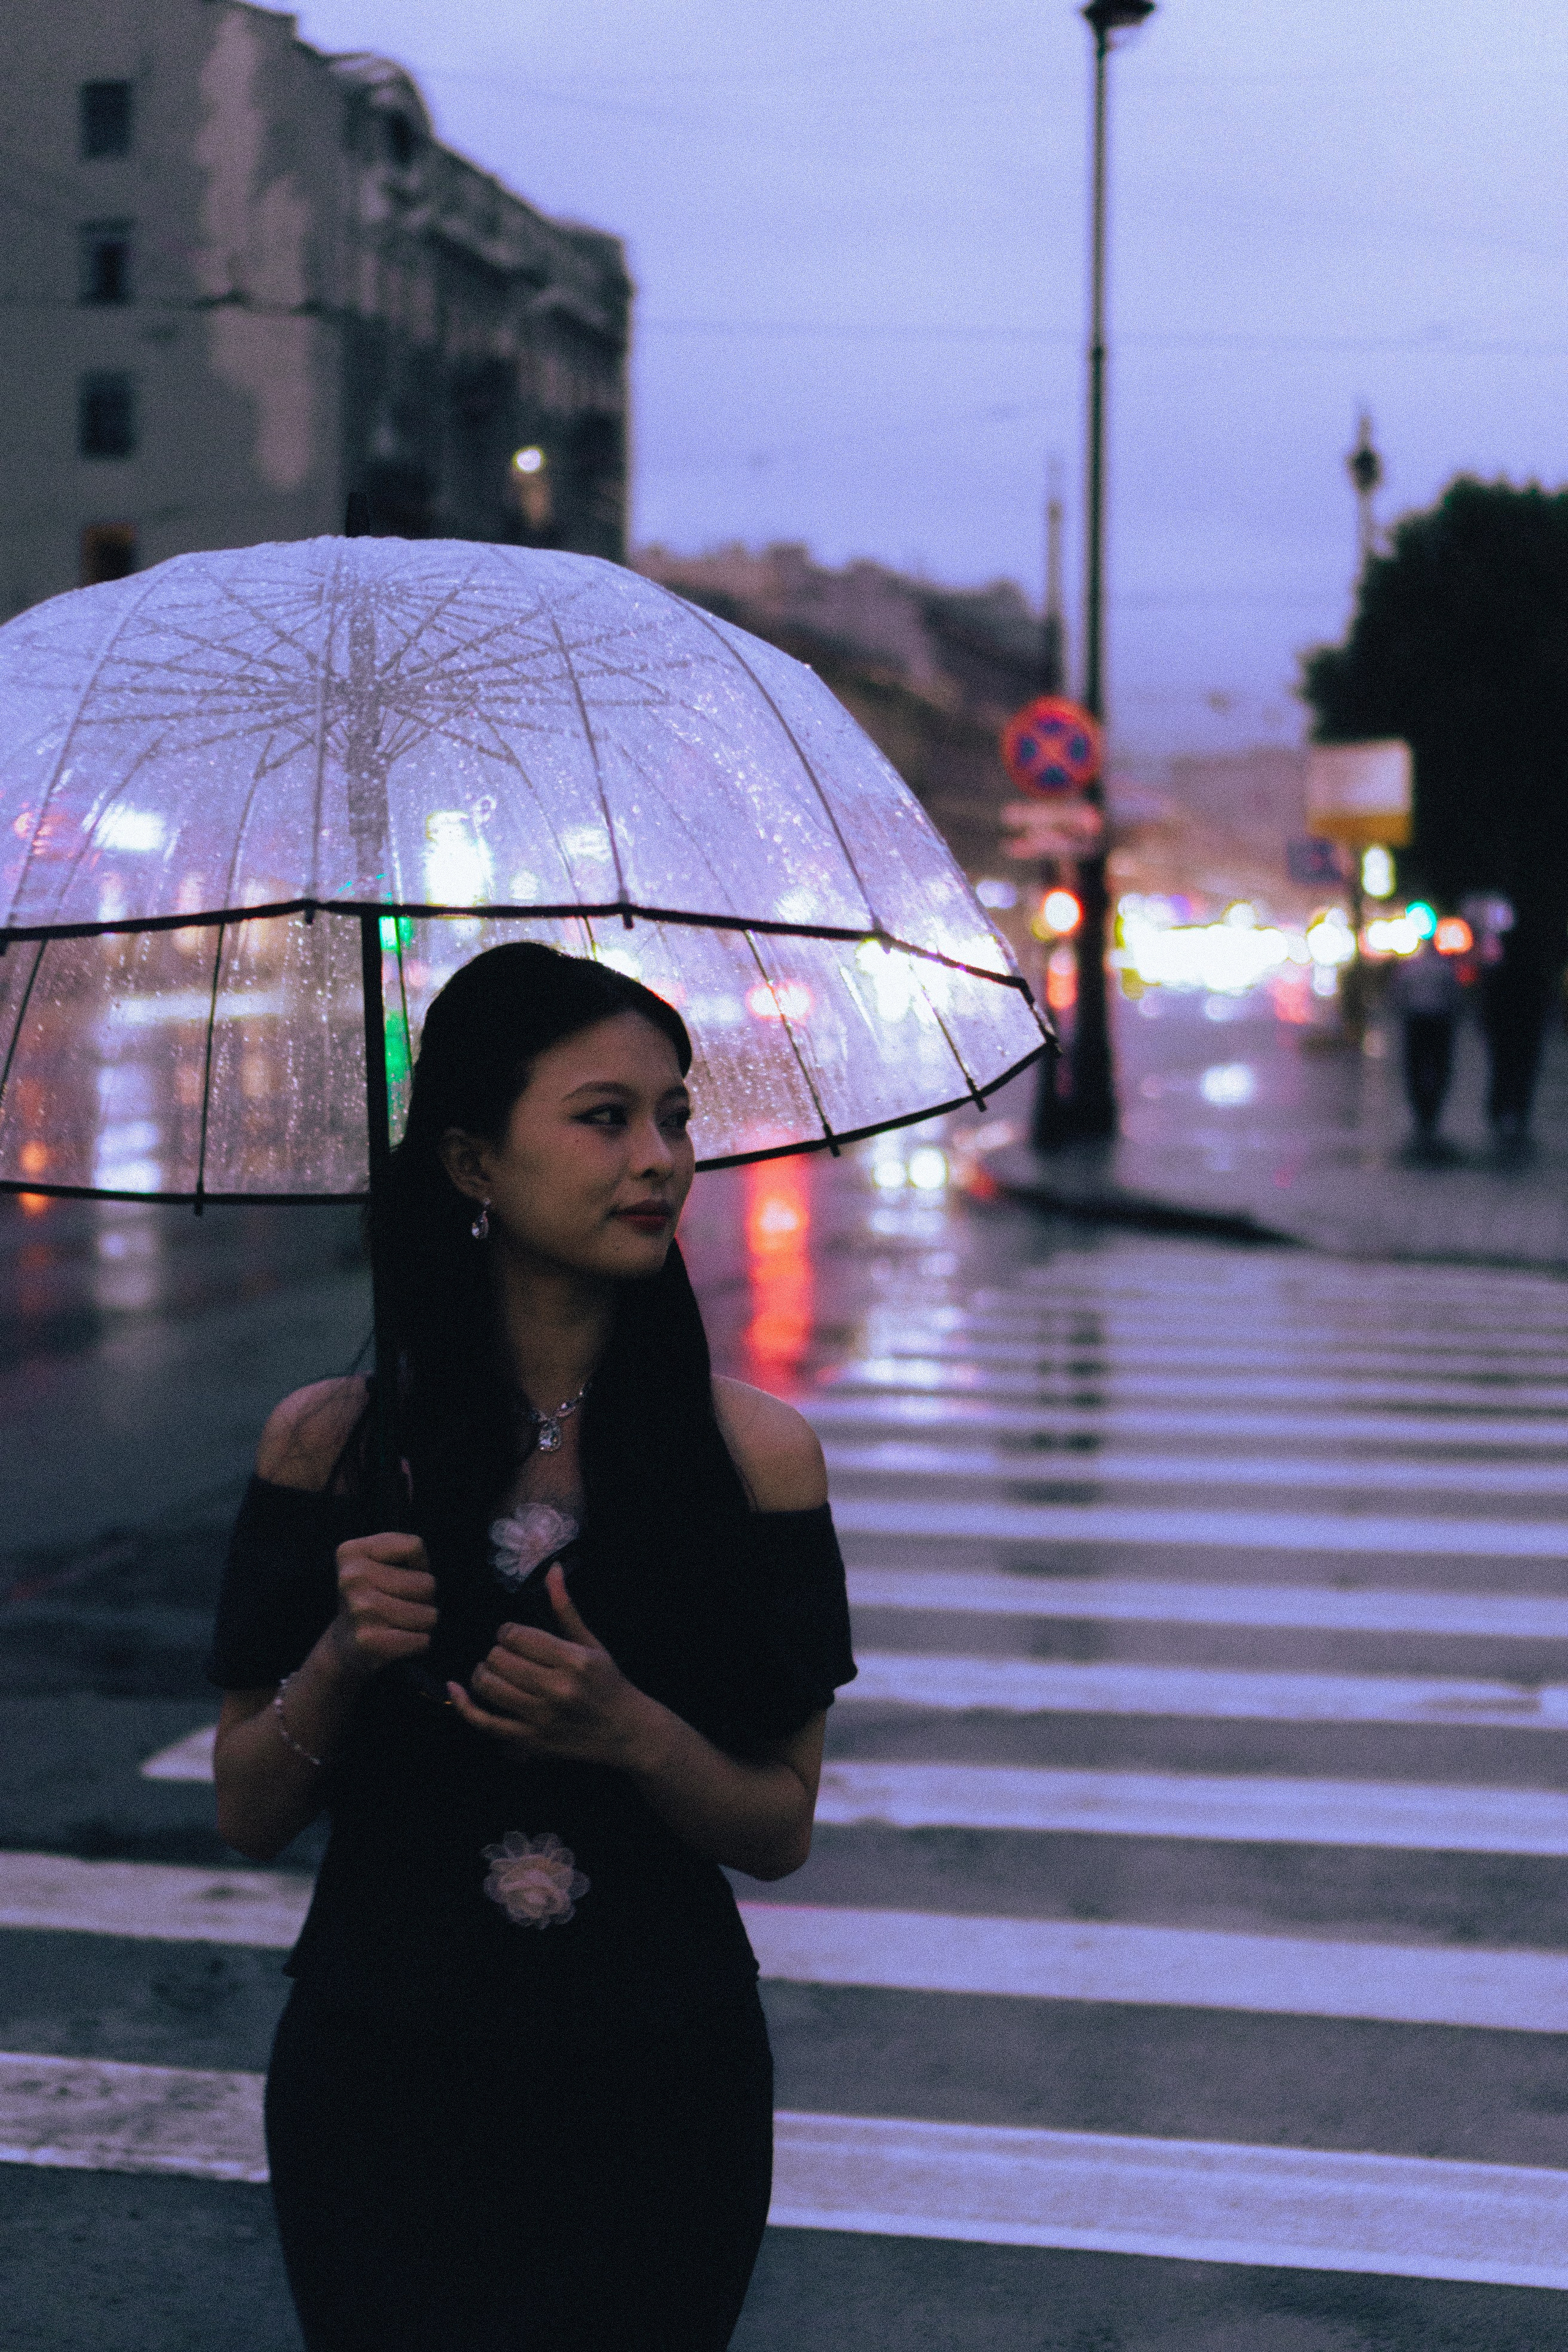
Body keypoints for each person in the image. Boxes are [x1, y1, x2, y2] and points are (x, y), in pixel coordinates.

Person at [208, 943, 856, 2352]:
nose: (659, 1159)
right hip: (384, 2070)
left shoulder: (753, 1460)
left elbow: (778, 1827)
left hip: (657, 2078)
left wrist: (632, 1731)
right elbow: (248, 1806)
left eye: (673, 1117)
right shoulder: (331, 1449)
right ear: (471, 1163)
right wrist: (340, 1655)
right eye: (603, 1117)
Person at [1386, 932, 1464, 1156]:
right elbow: (1455, 997)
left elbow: (1397, 996)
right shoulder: (1445, 968)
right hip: (1440, 1022)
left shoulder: (1410, 968)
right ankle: (1432, 1111)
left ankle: (1421, 1112)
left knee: (1415, 1068)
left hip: (1416, 1022)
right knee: (1440, 1067)